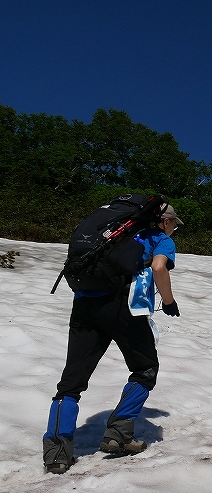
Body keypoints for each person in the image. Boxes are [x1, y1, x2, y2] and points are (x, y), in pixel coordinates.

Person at [43, 203, 183, 474]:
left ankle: (56, 453)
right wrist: (168, 301)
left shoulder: (111, 234)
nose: (174, 229)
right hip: (123, 308)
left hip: (84, 306)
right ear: (165, 222)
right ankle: (118, 434)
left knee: (71, 382)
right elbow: (158, 266)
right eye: (174, 225)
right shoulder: (159, 239)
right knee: (144, 369)